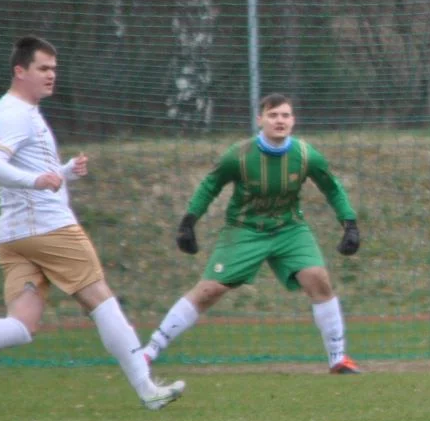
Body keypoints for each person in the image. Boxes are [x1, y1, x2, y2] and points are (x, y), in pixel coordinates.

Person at [0, 35, 184, 410]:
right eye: (43, 68)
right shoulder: (14, 112)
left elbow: (28, 171)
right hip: (48, 227)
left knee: (22, 325)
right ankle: (147, 390)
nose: (51, 75)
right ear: (19, 71)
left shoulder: (19, 111)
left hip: (15, 233)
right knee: (101, 301)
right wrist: (38, 181)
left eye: (54, 69)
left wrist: (62, 173)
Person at [141, 94, 363, 374]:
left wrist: (350, 223)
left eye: (285, 115)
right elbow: (210, 185)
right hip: (244, 229)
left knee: (318, 279)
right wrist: (189, 221)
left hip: (289, 228)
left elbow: (332, 188)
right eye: (273, 115)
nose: (279, 121)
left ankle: (338, 359)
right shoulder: (238, 155)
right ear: (260, 120)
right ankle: (149, 351)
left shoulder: (307, 156)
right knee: (210, 290)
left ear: (293, 121)